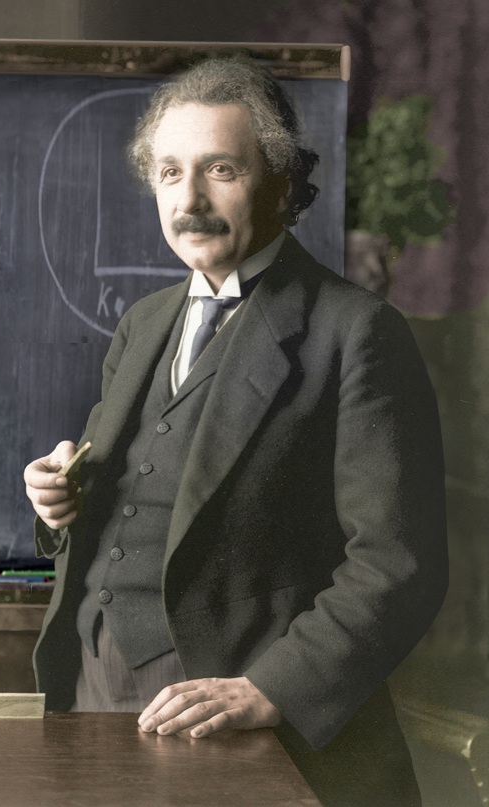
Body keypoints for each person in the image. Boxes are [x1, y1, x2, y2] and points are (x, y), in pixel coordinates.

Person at [23, 56, 448, 807]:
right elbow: (126, 500)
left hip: (243, 721)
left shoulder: (357, 331)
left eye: (220, 169)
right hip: (89, 685)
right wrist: (59, 499)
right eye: (169, 172)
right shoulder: (143, 323)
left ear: (282, 182)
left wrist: (270, 689)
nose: (189, 199)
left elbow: (399, 563)